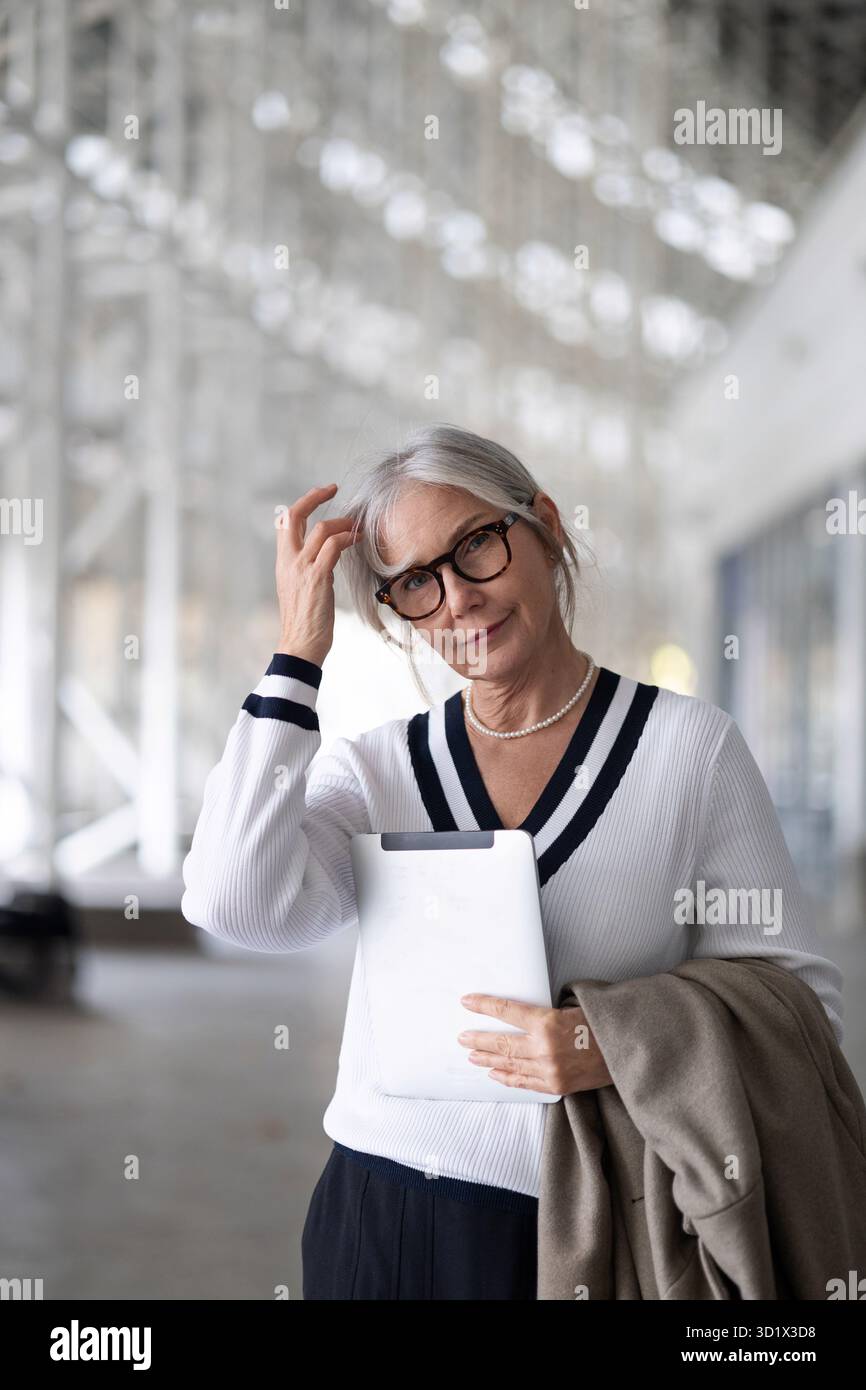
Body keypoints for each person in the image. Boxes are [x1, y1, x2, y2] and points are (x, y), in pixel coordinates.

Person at [180, 422, 844, 1301]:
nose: (456, 599)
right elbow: (235, 905)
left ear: (545, 527)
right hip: (375, 1217)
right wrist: (295, 660)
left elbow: (804, 1008)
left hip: (588, 1227)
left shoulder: (690, 752)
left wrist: (613, 1042)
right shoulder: (378, 769)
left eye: (477, 547)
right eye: (415, 581)